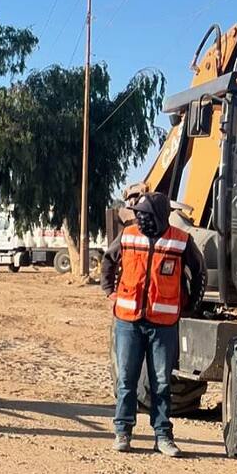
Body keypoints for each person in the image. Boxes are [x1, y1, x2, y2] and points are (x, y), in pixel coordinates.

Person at [100, 191, 205, 457]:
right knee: (126, 380)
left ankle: (162, 436)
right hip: (128, 322)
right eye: (138, 215)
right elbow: (108, 262)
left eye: (145, 215)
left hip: (163, 325)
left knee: (161, 383)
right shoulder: (128, 235)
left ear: (160, 215)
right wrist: (110, 293)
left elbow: (199, 271)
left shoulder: (181, 241)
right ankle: (122, 432)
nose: (140, 220)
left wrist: (190, 305)